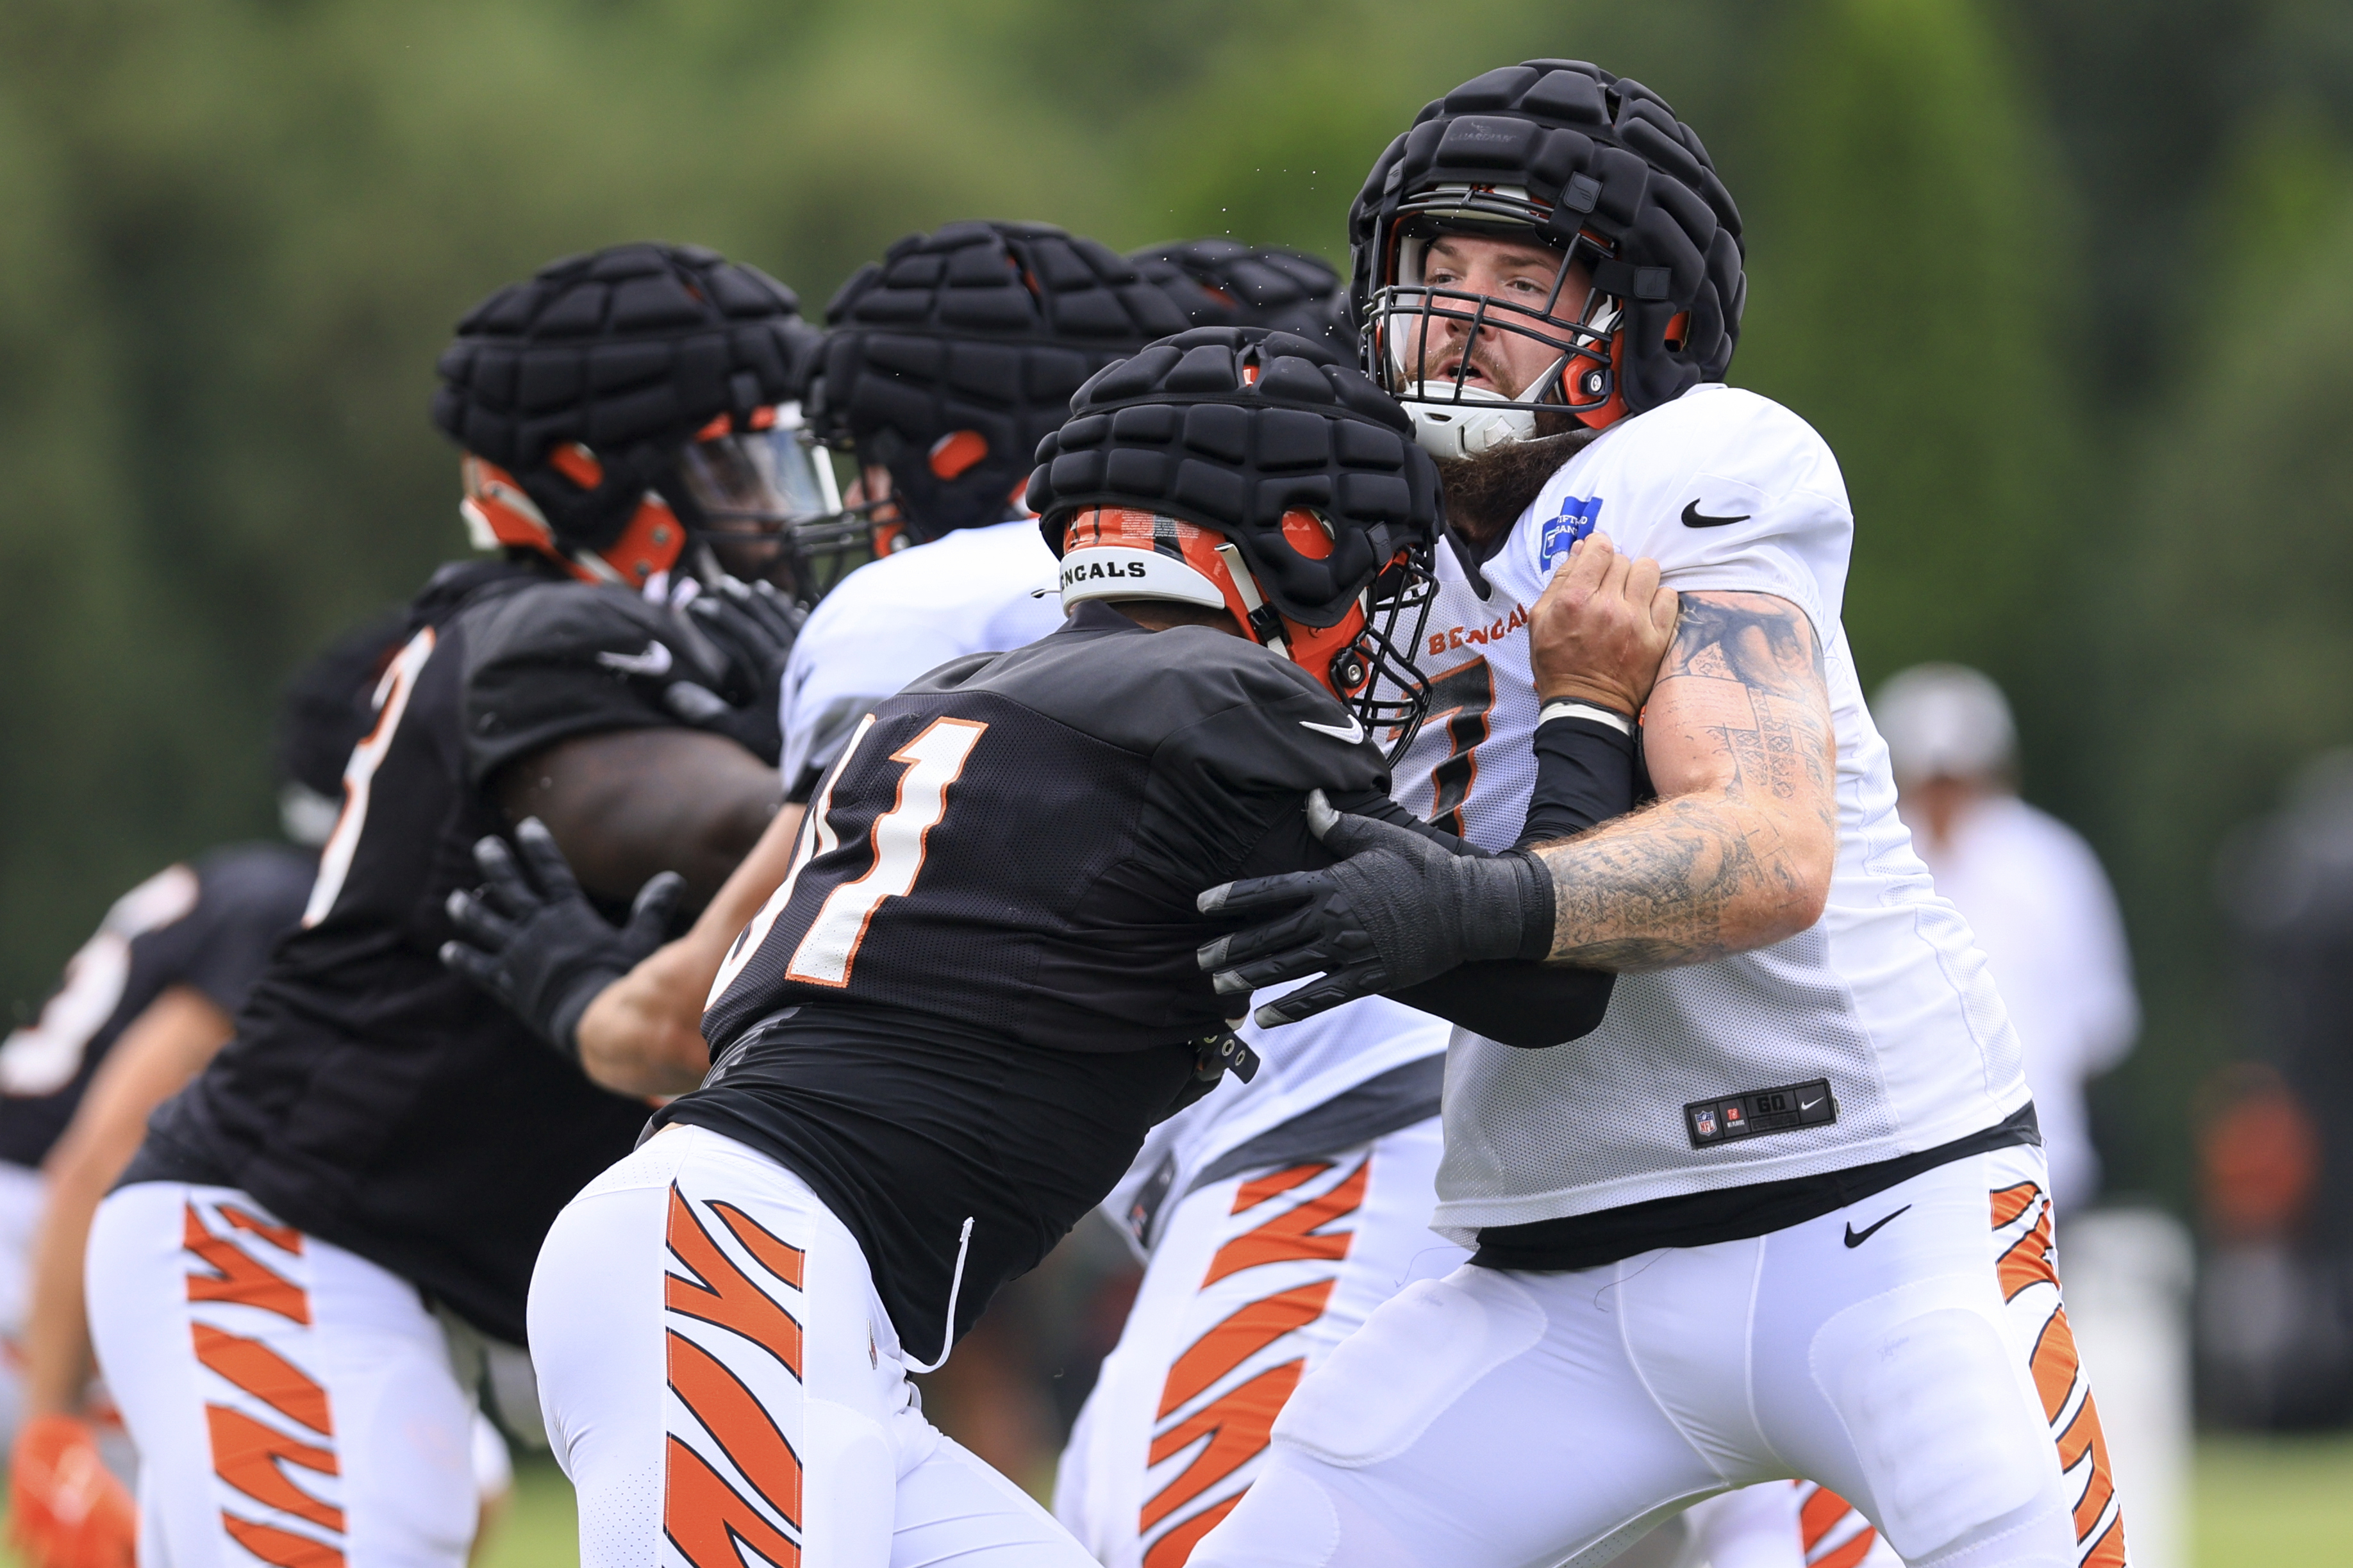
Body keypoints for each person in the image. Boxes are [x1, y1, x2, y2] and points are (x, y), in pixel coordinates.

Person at [457, 325, 1675, 1562]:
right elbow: (1546, 984)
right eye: (1371, 561)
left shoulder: (947, 694)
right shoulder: (1213, 699)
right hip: (736, 1275)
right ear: (1297, 542)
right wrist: (1585, 708)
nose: (1379, 609)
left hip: (759, 1278)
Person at [1189, 60, 2125, 1568]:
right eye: (1433, 268)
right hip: (1547, 1262)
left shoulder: (1681, 470)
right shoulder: (1353, 530)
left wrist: (1464, 900)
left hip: (1874, 1216)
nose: (1458, 314)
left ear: (1645, 330)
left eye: (1522, 277)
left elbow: (1764, 850)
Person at [81, 241, 831, 1568]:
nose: (775, 505)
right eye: (732, 460)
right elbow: (717, 820)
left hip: (386, 1275)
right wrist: (856, 737)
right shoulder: (539, 633)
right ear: (608, 482)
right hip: (276, 1242)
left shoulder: (657, 643)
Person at [1, 619, 392, 1568]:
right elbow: (93, 1158)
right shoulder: (284, 911)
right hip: (36, 1234)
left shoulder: (278, 893)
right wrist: (54, 1430)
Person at [1875, 663, 2138, 1215]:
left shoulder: (1870, 867)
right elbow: (2099, 1030)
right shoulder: (2053, 859)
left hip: (2007, 1172)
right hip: (1961, 1173)